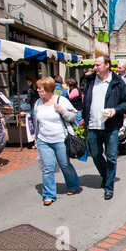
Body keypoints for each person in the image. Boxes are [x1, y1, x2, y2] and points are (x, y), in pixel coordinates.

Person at [82, 55, 126, 200]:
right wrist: (84, 118)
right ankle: (106, 175)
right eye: (95, 65)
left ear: (107, 65)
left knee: (111, 157)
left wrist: (115, 110)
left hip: (110, 126)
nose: (95, 67)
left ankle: (109, 186)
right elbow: (87, 102)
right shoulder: (90, 81)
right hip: (93, 125)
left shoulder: (117, 82)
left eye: (98, 65)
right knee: (96, 154)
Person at [33, 77, 80, 206]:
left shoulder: (61, 101)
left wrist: (62, 111)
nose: (37, 90)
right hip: (44, 140)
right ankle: (48, 194)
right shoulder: (38, 103)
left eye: (40, 88)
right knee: (47, 168)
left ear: (48, 89)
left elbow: (73, 115)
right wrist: (36, 137)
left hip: (60, 139)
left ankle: (73, 184)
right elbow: (36, 122)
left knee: (64, 165)